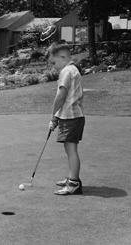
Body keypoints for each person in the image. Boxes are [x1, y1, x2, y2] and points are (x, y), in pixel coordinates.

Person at [48, 43, 85, 195]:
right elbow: (66, 98)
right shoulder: (73, 70)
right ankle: (71, 178)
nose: (53, 67)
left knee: (71, 150)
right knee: (69, 149)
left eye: (54, 63)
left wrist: (52, 114)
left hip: (71, 117)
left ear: (63, 57)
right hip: (71, 115)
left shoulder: (66, 71)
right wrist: (57, 117)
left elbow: (61, 96)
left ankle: (74, 183)